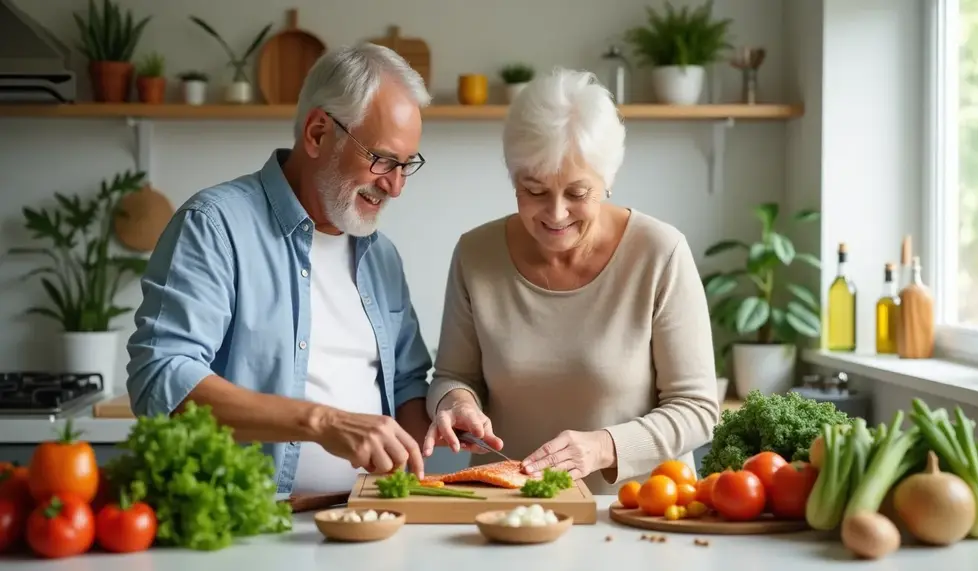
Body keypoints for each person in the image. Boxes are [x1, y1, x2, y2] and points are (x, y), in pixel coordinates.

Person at [125, 43, 437, 496]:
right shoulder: (215, 225)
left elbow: (407, 382)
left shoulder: (380, 254)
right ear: (316, 133)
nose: (395, 186)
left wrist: (447, 409)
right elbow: (161, 376)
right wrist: (321, 420)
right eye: (383, 160)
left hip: (366, 523)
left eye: (407, 165)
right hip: (247, 526)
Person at [422, 68, 721, 495]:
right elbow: (452, 375)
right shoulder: (476, 254)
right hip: (508, 512)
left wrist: (604, 448)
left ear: (608, 180)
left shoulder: (660, 253)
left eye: (578, 193)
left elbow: (697, 409)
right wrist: (457, 404)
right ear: (514, 178)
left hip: (636, 514)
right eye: (535, 190)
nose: (556, 213)